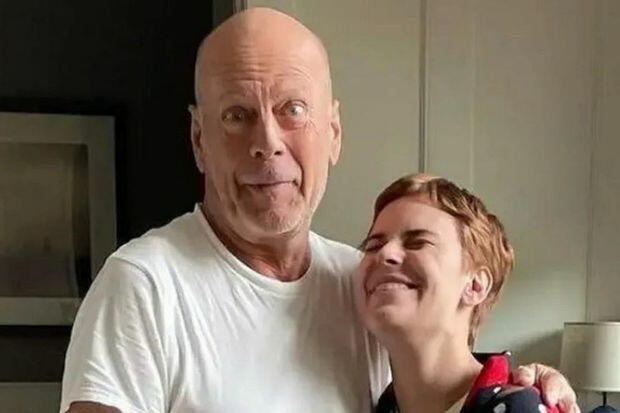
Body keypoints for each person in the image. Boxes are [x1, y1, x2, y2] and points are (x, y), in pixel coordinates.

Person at [60, 8, 578, 413]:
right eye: (237, 115)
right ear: (199, 140)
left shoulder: (360, 283)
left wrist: (531, 388)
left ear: (333, 132)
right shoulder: (145, 285)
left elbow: (447, 376)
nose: (267, 142)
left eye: (293, 110)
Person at [355, 173, 565, 413]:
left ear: (475, 285)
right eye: (373, 246)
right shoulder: (380, 406)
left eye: (417, 242)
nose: (385, 253)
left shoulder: (520, 407)